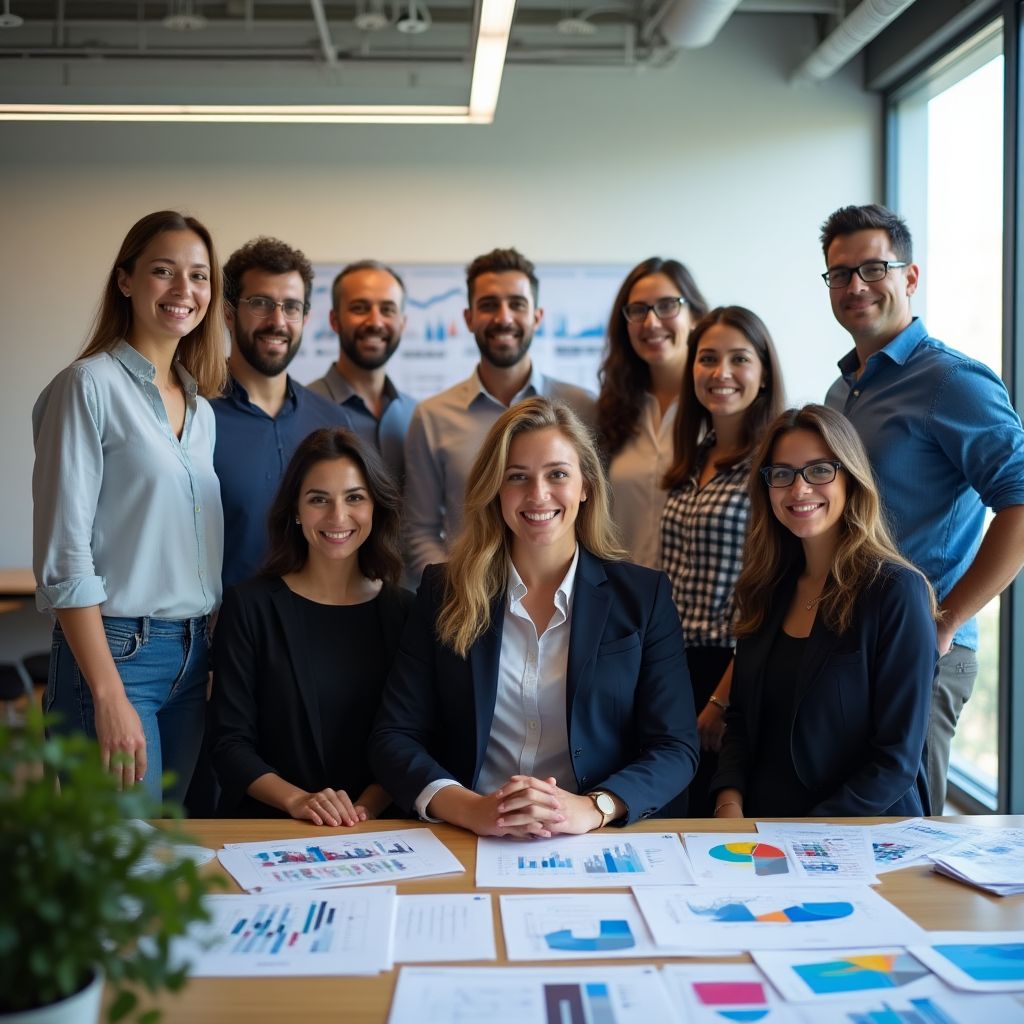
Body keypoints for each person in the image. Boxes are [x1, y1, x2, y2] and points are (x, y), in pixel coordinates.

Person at [371, 397, 698, 836]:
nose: (538, 494)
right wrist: (471, 809)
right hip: (469, 834)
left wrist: (593, 807)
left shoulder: (643, 595)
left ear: (585, 485)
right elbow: (394, 737)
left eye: (557, 474)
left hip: (593, 837)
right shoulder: (443, 590)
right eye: (517, 477)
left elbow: (676, 746)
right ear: (495, 490)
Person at [820, 203, 1024, 812]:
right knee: (848, 835)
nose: (855, 285)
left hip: (924, 650)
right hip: (852, 644)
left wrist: (948, 621)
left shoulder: (951, 381)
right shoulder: (843, 390)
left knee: (908, 838)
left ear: (909, 278)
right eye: (839, 274)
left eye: (873, 268)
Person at [33, 210, 226, 804]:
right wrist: (108, 691)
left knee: (167, 865)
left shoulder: (201, 408)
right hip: (117, 654)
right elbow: (66, 556)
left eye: (198, 276)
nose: (183, 291)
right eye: (162, 271)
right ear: (125, 280)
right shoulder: (86, 387)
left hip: (192, 658)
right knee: (127, 866)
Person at [712, 404, 937, 818]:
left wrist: (809, 834)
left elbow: (897, 761)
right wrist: (729, 802)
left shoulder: (895, 591)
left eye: (819, 470)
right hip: (761, 828)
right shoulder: (765, 587)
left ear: (850, 478)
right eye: (782, 474)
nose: (799, 489)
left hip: (860, 832)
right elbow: (741, 721)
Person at [211, 428, 413, 823]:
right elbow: (229, 742)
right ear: (296, 512)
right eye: (319, 500)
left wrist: (363, 809)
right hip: (270, 824)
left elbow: (414, 736)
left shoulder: (406, 612)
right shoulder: (249, 606)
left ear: (375, 507)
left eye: (354, 498)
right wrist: (298, 801)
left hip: (380, 829)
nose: (338, 517)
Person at [403, 248, 596, 584]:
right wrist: (458, 592)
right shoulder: (431, 417)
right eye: (489, 304)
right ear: (468, 317)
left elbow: (597, 512)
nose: (503, 317)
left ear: (536, 316)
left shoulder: (583, 409)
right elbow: (419, 530)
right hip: (467, 609)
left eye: (516, 304)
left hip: (567, 605)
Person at [659, 306, 785, 815]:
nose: (721, 373)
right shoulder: (693, 457)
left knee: (722, 814)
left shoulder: (773, 467)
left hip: (733, 664)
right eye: (707, 359)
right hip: (674, 660)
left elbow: (773, 593)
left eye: (739, 359)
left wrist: (720, 700)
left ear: (764, 372)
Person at [212, 237, 352, 590]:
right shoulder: (194, 415)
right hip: (214, 634)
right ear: (229, 312)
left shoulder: (333, 422)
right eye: (261, 303)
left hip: (311, 628)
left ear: (305, 317)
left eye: (291, 307)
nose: (278, 321)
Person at [596, 257, 708, 568]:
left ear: (696, 316)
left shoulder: (721, 409)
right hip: (623, 602)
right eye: (638, 310)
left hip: (700, 605)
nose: (652, 322)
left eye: (667, 305)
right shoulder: (609, 412)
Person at [307, 260, 417, 486]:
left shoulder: (417, 415)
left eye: (387, 309)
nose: (375, 322)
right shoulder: (301, 410)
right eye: (360, 308)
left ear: (403, 323)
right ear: (334, 320)